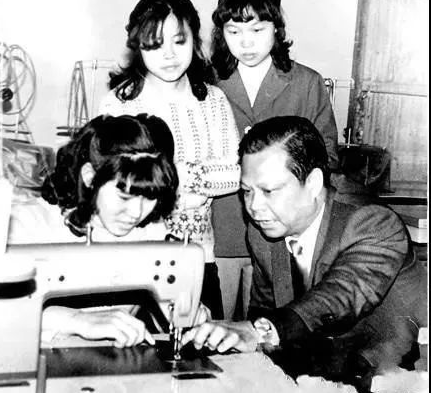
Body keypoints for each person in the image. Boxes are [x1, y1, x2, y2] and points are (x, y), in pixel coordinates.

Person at [183, 116, 427, 378]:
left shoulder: (373, 222)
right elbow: (265, 313)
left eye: (268, 191)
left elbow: (339, 296)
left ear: (312, 183)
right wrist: (228, 336)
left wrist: (261, 331)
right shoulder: (263, 232)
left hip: (401, 375)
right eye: (247, 191)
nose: (253, 207)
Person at [99, 0, 241, 319]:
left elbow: (235, 173)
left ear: (195, 40)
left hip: (200, 257)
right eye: (154, 44)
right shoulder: (119, 104)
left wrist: (170, 175)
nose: (169, 55)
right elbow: (113, 179)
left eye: (179, 41)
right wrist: (193, 179)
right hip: (134, 256)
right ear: (138, 45)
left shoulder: (213, 100)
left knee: (203, 340)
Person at [210, 0, 339, 289]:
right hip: (218, 231)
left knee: (276, 317)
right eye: (234, 31)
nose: (246, 42)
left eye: (257, 29)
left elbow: (327, 158)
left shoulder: (307, 83)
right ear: (222, 33)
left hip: (284, 236)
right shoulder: (206, 83)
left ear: (276, 28)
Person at [8, 114, 180, 347]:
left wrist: (195, 319)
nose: (136, 212)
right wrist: (76, 320)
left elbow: (173, 301)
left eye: (149, 197)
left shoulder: (151, 232)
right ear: (90, 177)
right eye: (124, 196)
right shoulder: (29, 223)